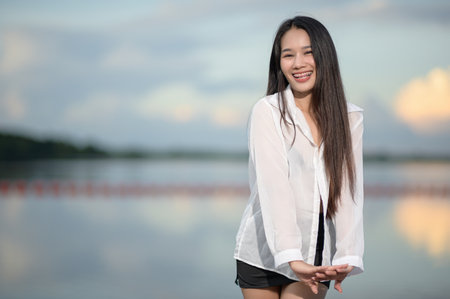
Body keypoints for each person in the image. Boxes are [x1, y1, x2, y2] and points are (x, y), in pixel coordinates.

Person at [233, 16, 364, 299]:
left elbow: (347, 193)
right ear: (279, 63)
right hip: (262, 248)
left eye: (308, 52)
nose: (298, 63)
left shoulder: (349, 117)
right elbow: (274, 188)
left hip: (316, 247)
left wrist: (348, 256)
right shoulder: (267, 111)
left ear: (324, 56)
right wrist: (291, 258)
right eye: (288, 55)